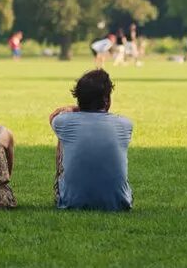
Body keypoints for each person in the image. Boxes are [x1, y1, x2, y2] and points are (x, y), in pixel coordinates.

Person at [48, 70, 132, 211]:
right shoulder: (125, 124)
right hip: (119, 203)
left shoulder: (63, 122)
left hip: (71, 202)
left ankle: (67, 192)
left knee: (63, 138)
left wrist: (75, 108)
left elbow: (53, 116)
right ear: (106, 100)